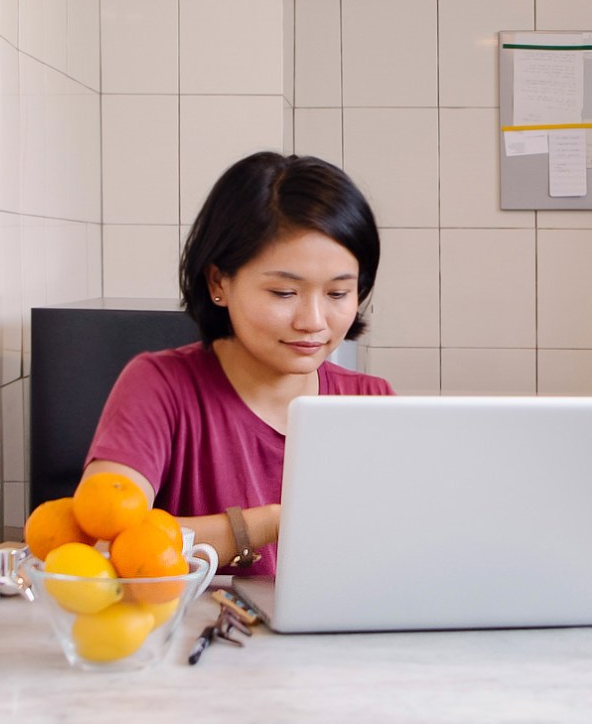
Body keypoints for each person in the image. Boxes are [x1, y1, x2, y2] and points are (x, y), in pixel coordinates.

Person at [80, 150, 392, 576]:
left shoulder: (371, 401)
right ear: (218, 283)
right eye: (284, 293)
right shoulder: (160, 387)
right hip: (201, 637)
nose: (313, 322)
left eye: (338, 294)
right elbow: (102, 543)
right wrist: (272, 524)